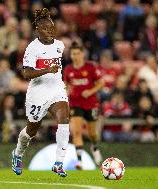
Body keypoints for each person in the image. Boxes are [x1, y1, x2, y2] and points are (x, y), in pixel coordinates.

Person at [11, 8, 70, 177]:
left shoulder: (60, 45)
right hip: (38, 93)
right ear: (38, 30)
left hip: (56, 90)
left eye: (52, 27)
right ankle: (17, 154)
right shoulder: (32, 48)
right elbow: (27, 73)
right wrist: (47, 69)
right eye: (45, 28)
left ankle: (59, 163)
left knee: (64, 118)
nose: (50, 31)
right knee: (31, 130)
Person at [64, 42, 104, 170]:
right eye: (73, 54)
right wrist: (66, 92)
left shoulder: (90, 67)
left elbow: (101, 83)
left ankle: (95, 147)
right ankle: (79, 161)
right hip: (75, 103)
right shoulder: (68, 69)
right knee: (76, 131)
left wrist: (90, 91)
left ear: (82, 54)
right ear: (71, 55)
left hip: (91, 103)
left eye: (77, 53)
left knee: (92, 133)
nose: (75, 56)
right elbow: (66, 85)